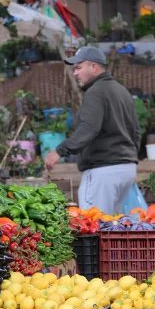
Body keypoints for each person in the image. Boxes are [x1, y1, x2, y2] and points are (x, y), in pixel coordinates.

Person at [45, 46, 139, 214]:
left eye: (79, 67)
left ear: (94, 67)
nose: (75, 73)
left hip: (103, 172)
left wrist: (60, 151)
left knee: (94, 227)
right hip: (127, 169)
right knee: (115, 229)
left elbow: (88, 129)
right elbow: (136, 132)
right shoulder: (122, 91)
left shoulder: (95, 92)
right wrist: (128, 157)